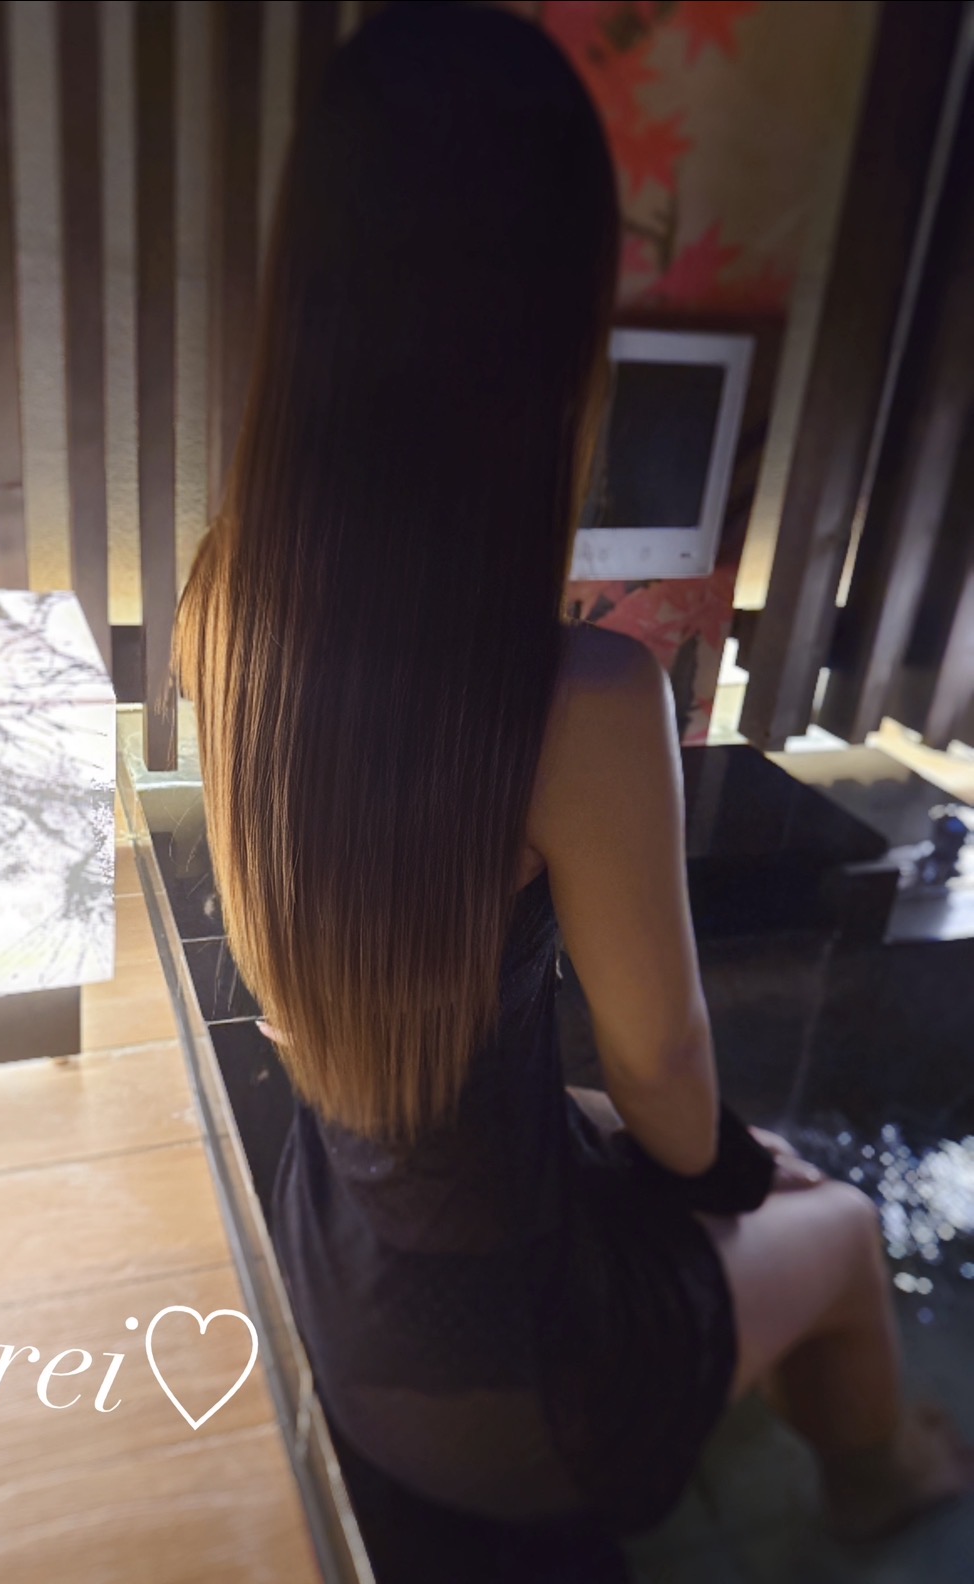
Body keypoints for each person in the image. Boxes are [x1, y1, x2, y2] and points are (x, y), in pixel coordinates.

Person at [172, 0, 970, 1547]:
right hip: (523, 1399)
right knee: (836, 1221)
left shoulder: (222, 613)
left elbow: (386, 1013)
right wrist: (725, 1172)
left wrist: (668, 1153)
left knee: (705, 1160)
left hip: (335, 1282)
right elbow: (664, 1062)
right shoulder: (580, 699)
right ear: (545, 339)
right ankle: (885, 1484)